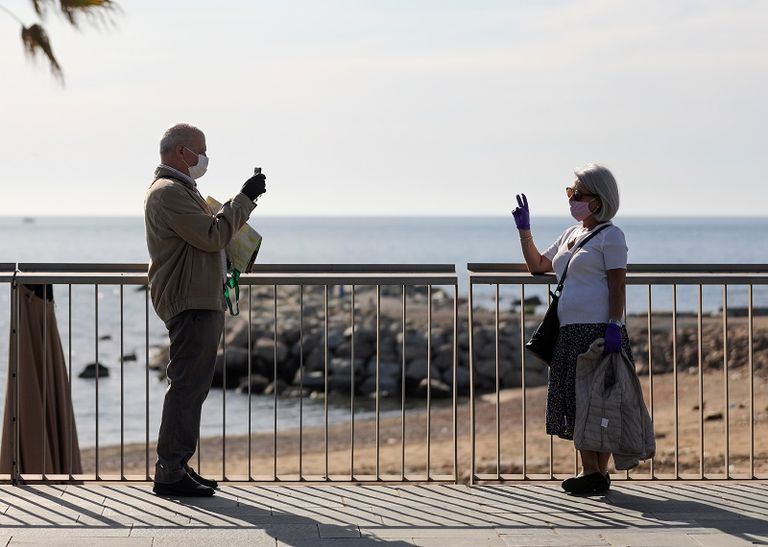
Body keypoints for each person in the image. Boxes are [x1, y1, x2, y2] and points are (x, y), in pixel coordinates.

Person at [144, 123, 267, 497]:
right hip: (190, 300)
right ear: (182, 152)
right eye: (201, 150)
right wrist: (244, 199)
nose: (205, 157)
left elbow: (206, 235)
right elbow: (212, 235)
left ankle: (177, 464)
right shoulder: (168, 193)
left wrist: (237, 206)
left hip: (197, 297)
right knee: (187, 387)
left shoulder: (179, 190)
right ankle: (169, 470)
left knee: (192, 387)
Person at [512, 163, 632, 495]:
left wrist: (614, 325)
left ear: (599, 199)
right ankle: (591, 473)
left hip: (598, 332)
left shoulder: (612, 236)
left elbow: (617, 285)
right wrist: (525, 230)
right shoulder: (571, 234)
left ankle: (596, 472)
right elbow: (538, 265)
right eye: (570, 192)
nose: (572, 199)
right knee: (575, 401)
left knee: (600, 403)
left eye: (578, 194)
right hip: (569, 332)